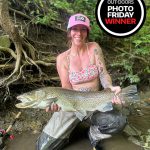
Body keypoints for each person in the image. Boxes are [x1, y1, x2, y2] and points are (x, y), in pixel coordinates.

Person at [36, 13, 127, 150]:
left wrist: (109, 87)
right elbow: (65, 89)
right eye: (75, 29)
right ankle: (70, 130)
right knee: (43, 148)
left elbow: (103, 73)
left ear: (87, 32)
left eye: (83, 29)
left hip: (95, 103)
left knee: (119, 121)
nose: (79, 33)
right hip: (73, 106)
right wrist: (57, 104)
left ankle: (93, 133)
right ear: (69, 32)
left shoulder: (94, 48)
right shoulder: (62, 59)